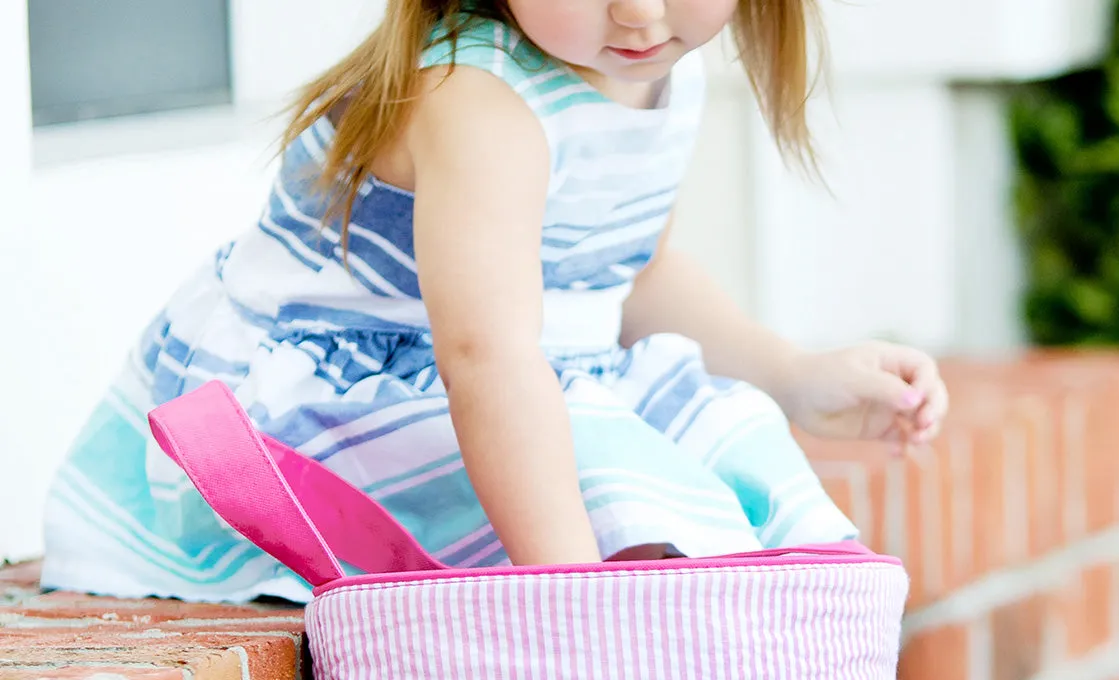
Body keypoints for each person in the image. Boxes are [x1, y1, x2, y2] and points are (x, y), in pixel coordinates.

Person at [42, 0, 949, 603]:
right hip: (348, 397)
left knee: (740, 444)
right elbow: (486, 359)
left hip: (519, 378)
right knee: (612, 488)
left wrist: (794, 377)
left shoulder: (653, 71)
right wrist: (566, 593)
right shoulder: (478, 101)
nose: (639, 11)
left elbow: (632, 274)